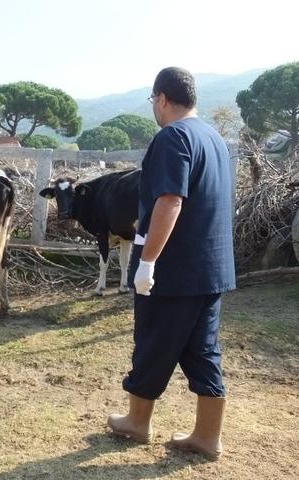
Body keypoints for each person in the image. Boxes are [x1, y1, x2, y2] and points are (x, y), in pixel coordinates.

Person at [107, 67, 236, 460]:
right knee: (203, 350)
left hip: (173, 268)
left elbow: (170, 200)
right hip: (211, 267)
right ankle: (207, 436)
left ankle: (137, 422)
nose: (154, 108)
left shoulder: (172, 136)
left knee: (152, 343)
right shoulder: (214, 138)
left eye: (153, 101)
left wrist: (147, 262)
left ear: (161, 98)